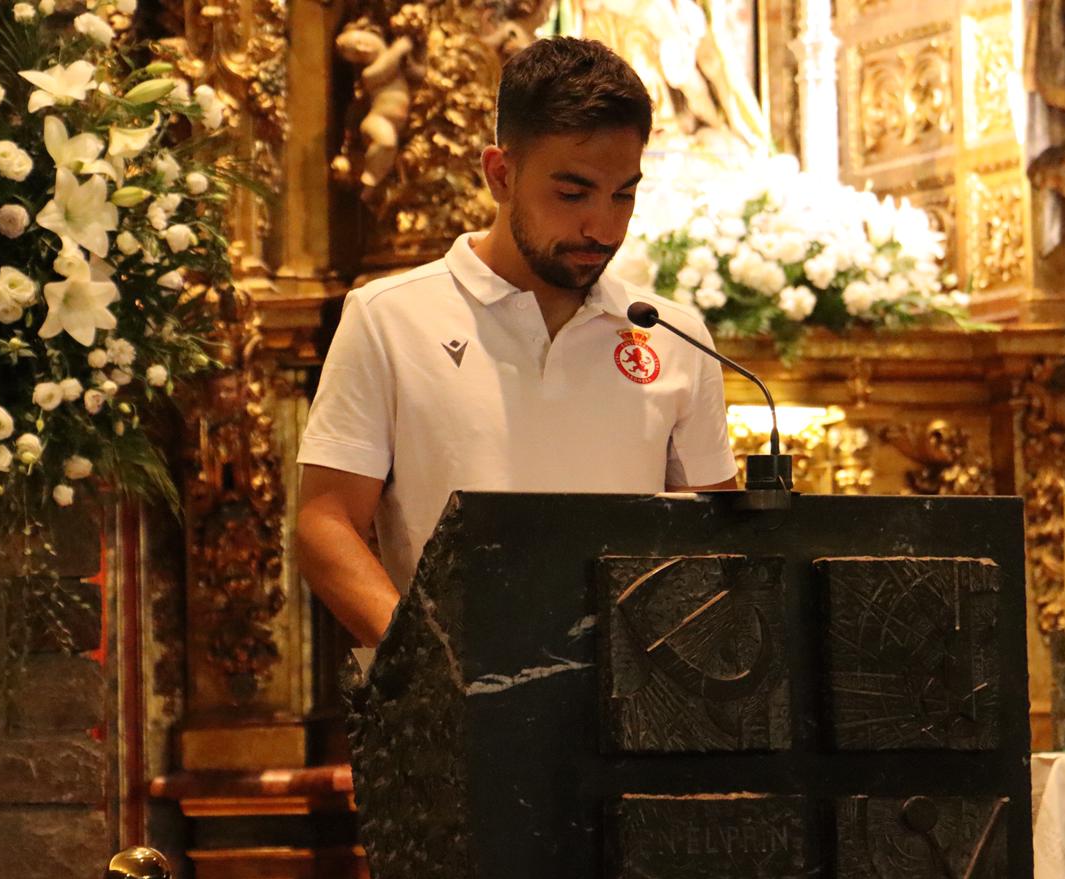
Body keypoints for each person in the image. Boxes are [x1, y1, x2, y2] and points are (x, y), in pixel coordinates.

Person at [296, 37, 739, 647]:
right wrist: (425, 664)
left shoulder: (673, 334)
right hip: (455, 703)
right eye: (573, 193)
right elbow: (327, 522)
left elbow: (717, 537)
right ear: (500, 174)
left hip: (634, 705)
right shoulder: (386, 317)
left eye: (624, 194)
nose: (603, 226)